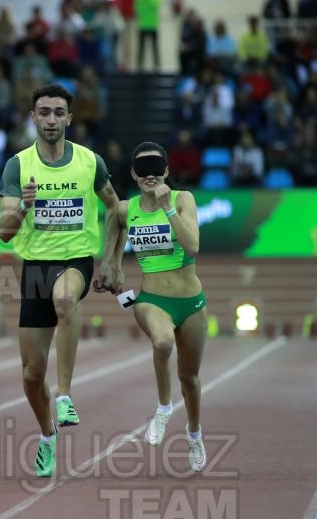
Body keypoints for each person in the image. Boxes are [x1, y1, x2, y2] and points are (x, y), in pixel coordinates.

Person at [0, 84, 123, 477]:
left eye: (57, 112)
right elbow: (3, 233)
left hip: (75, 260)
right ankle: (48, 435)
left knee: (67, 300)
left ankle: (66, 395)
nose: (51, 119)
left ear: (69, 118)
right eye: (43, 112)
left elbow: (116, 209)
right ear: (33, 118)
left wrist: (111, 262)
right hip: (35, 267)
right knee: (31, 375)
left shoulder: (90, 163)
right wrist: (23, 207)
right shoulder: (17, 165)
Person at [106, 141, 207, 472]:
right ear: (134, 174)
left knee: (189, 378)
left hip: (191, 302)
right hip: (151, 300)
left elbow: (192, 246)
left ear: (166, 171)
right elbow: (114, 228)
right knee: (162, 342)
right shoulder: (125, 208)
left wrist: (168, 210)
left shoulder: (183, 200)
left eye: (156, 170)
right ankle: (163, 409)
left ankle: (194, 435)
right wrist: (113, 265)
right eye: (143, 171)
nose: (150, 176)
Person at [133, 0, 162, 71]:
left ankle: (157, 66)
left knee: (155, 47)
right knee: (141, 47)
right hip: (143, 25)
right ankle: (139, 66)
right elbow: (136, 8)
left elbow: (156, 5)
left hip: (153, 25)